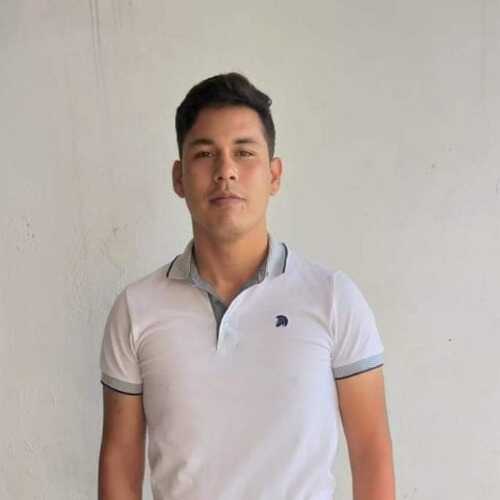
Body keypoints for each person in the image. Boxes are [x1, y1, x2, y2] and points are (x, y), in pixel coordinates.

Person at [98, 72, 396, 500]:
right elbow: (120, 461)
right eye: (205, 154)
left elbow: (371, 454)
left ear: (274, 175)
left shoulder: (333, 298)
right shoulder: (136, 309)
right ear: (179, 177)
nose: (226, 171)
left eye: (244, 152)